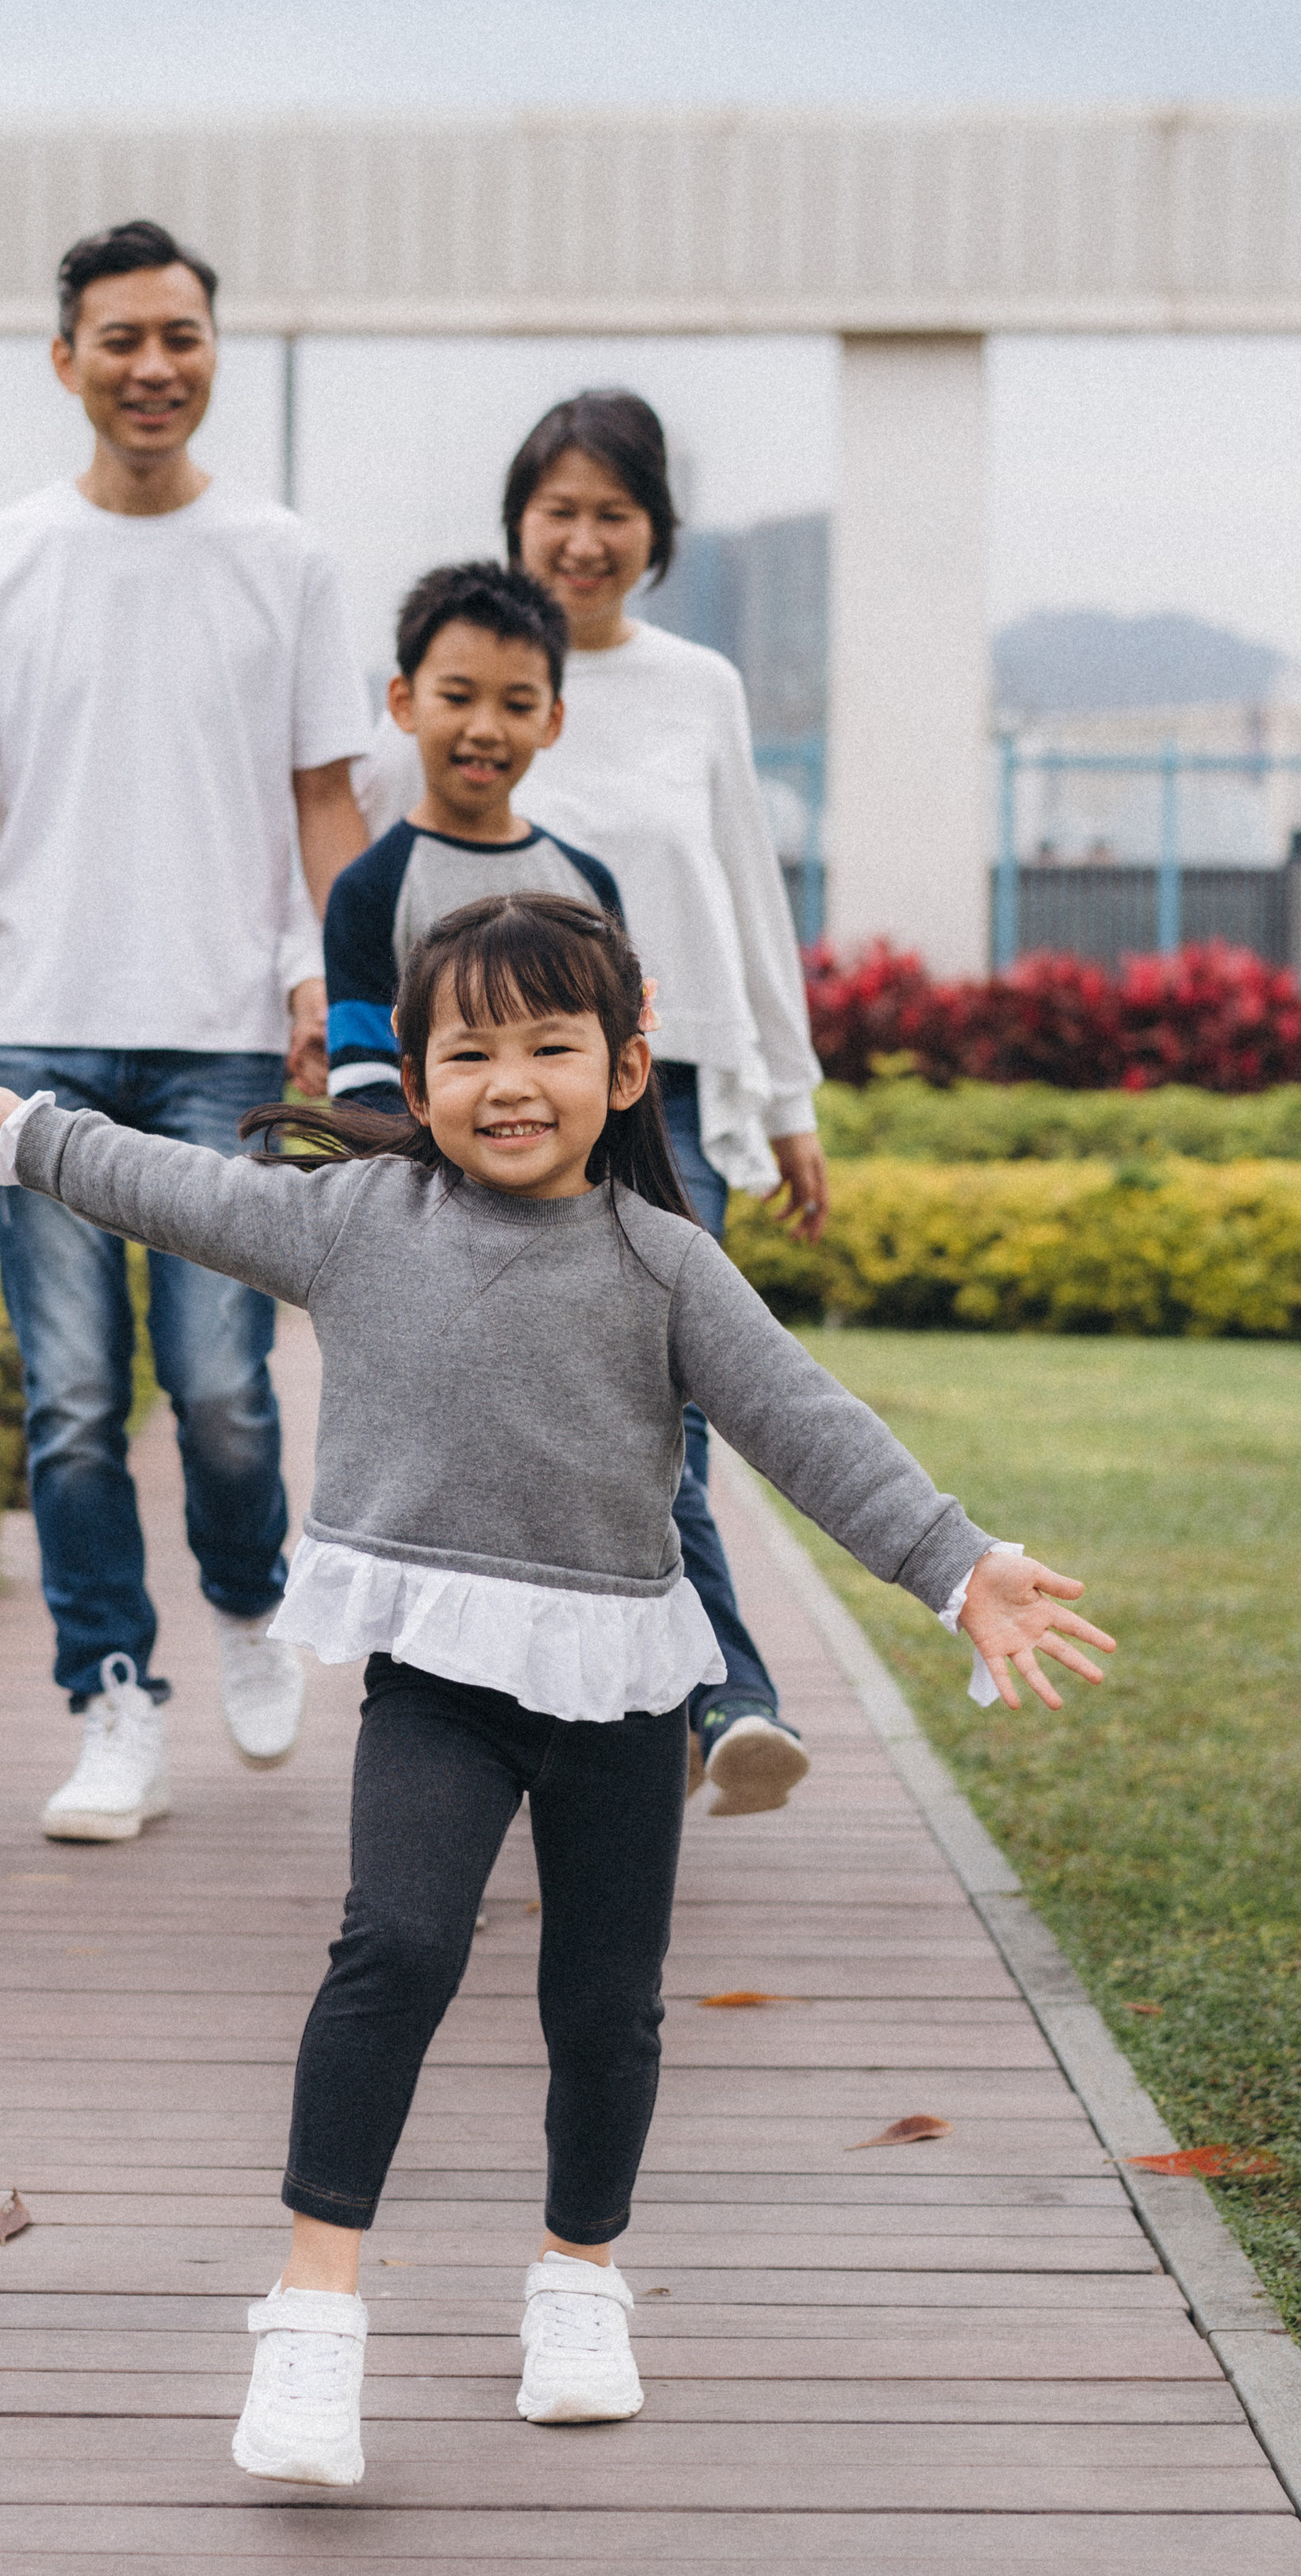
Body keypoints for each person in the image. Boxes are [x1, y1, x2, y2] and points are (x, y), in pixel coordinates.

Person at [0, 892, 1112, 2487]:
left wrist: (956, 1566)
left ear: (623, 1070)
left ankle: (576, 2278)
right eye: (466, 1050)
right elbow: (183, 1192)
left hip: (620, 1688)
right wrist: (30, 1132)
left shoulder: (663, 1263)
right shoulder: (356, 1224)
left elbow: (805, 1425)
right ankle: (311, 2315)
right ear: (411, 1086)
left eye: (549, 1046)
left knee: (601, 2013)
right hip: (436, 1680)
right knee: (393, 1945)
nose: (508, 1081)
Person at [0, 217, 370, 1842]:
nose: (152, 366)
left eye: (180, 336)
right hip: (35, 1041)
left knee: (225, 1392)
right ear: (65, 359)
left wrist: (340, 993)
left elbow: (324, 799)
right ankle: (110, 1697)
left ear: (212, 352)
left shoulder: (285, 558)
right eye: (119, 339)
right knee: (73, 1397)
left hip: (221, 1038)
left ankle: (247, 1597)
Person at [358, 389, 827, 1823]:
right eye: (557, 510)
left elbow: (748, 893)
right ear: (518, 523)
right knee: (519, 1410)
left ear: (655, 536)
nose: (583, 537)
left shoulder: (702, 689)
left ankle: (728, 1698)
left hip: (662, 1095)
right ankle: (552, 1709)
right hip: (494, 1096)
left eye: (612, 512)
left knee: (660, 1408)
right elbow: (398, 880)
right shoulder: (471, 680)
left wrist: (793, 1098)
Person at [324, 561, 622, 1112]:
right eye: (458, 698)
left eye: (517, 705)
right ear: (403, 703)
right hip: (420, 1193)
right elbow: (365, 1091)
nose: (484, 729)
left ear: (552, 720)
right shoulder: (368, 892)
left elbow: (611, 1064)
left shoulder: (587, 884)